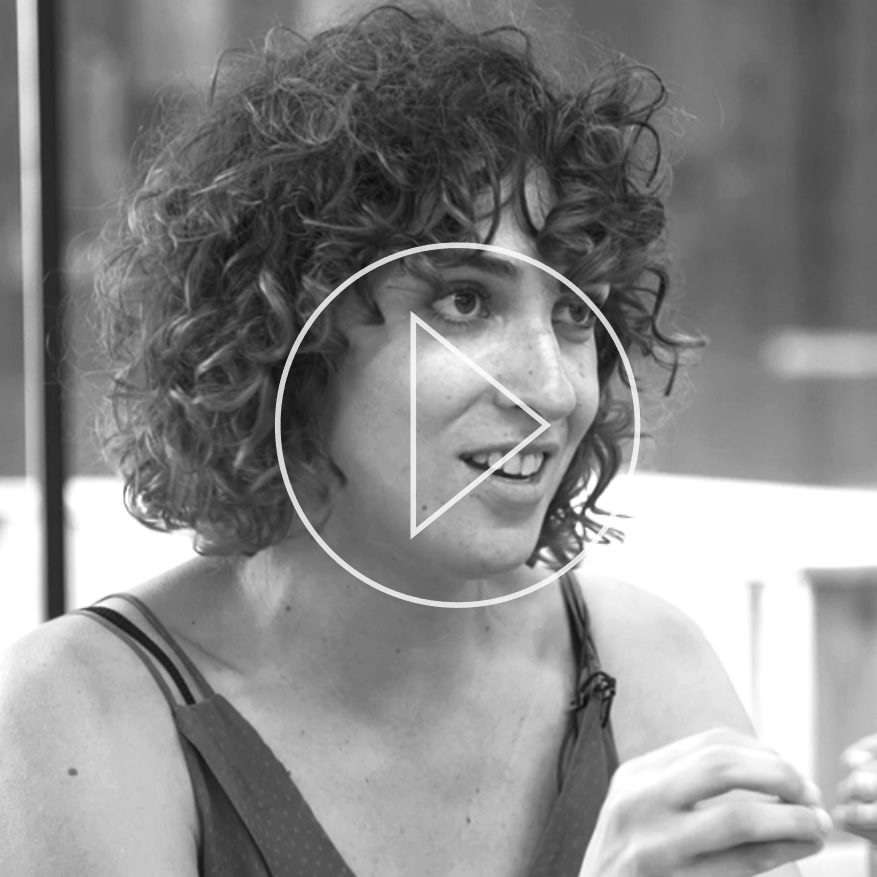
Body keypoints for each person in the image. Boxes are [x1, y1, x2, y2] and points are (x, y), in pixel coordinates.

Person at [0, 3, 831, 875]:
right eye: (463, 302)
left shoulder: (645, 660)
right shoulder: (82, 714)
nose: (551, 388)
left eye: (573, 313)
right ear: (283, 339)